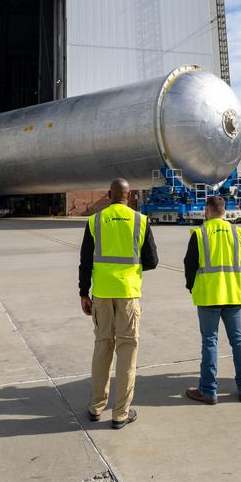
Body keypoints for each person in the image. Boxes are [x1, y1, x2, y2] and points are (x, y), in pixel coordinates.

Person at [79, 178, 159, 429]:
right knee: (127, 351)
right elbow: (153, 260)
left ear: (108, 195)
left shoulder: (95, 220)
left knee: (102, 348)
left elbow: (85, 262)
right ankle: (120, 413)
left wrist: (84, 292)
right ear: (129, 196)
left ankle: (96, 406)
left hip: (102, 293)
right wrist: (131, 268)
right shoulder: (140, 220)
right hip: (128, 293)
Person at [183, 195, 241, 405]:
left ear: (207, 211)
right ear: (225, 211)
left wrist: (191, 286)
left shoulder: (200, 233)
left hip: (208, 296)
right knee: (238, 341)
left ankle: (208, 391)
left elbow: (189, 265)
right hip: (233, 295)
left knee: (209, 343)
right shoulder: (237, 232)